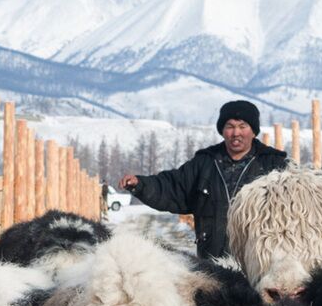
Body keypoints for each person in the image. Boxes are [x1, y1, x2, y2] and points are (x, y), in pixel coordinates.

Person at [119, 100, 288, 259]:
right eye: (230, 126)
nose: (236, 133)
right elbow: (174, 187)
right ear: (222, 130)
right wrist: (140, 185)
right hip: (214, 262)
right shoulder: (205, 162)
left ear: (253, 131)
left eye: (242, 126)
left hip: (260, 261)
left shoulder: (272, 164)